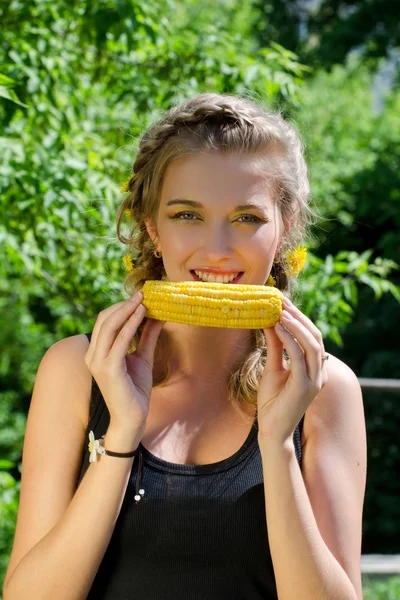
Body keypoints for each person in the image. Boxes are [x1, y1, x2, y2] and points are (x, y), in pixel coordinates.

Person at [3, 92, 366, 600]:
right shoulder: (75, 371)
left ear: (285, 230)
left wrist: (279, 445)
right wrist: (122, 433)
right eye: (186, 215)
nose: (216, 250)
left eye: (246, 218)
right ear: (151, 226)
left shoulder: (326, 389)